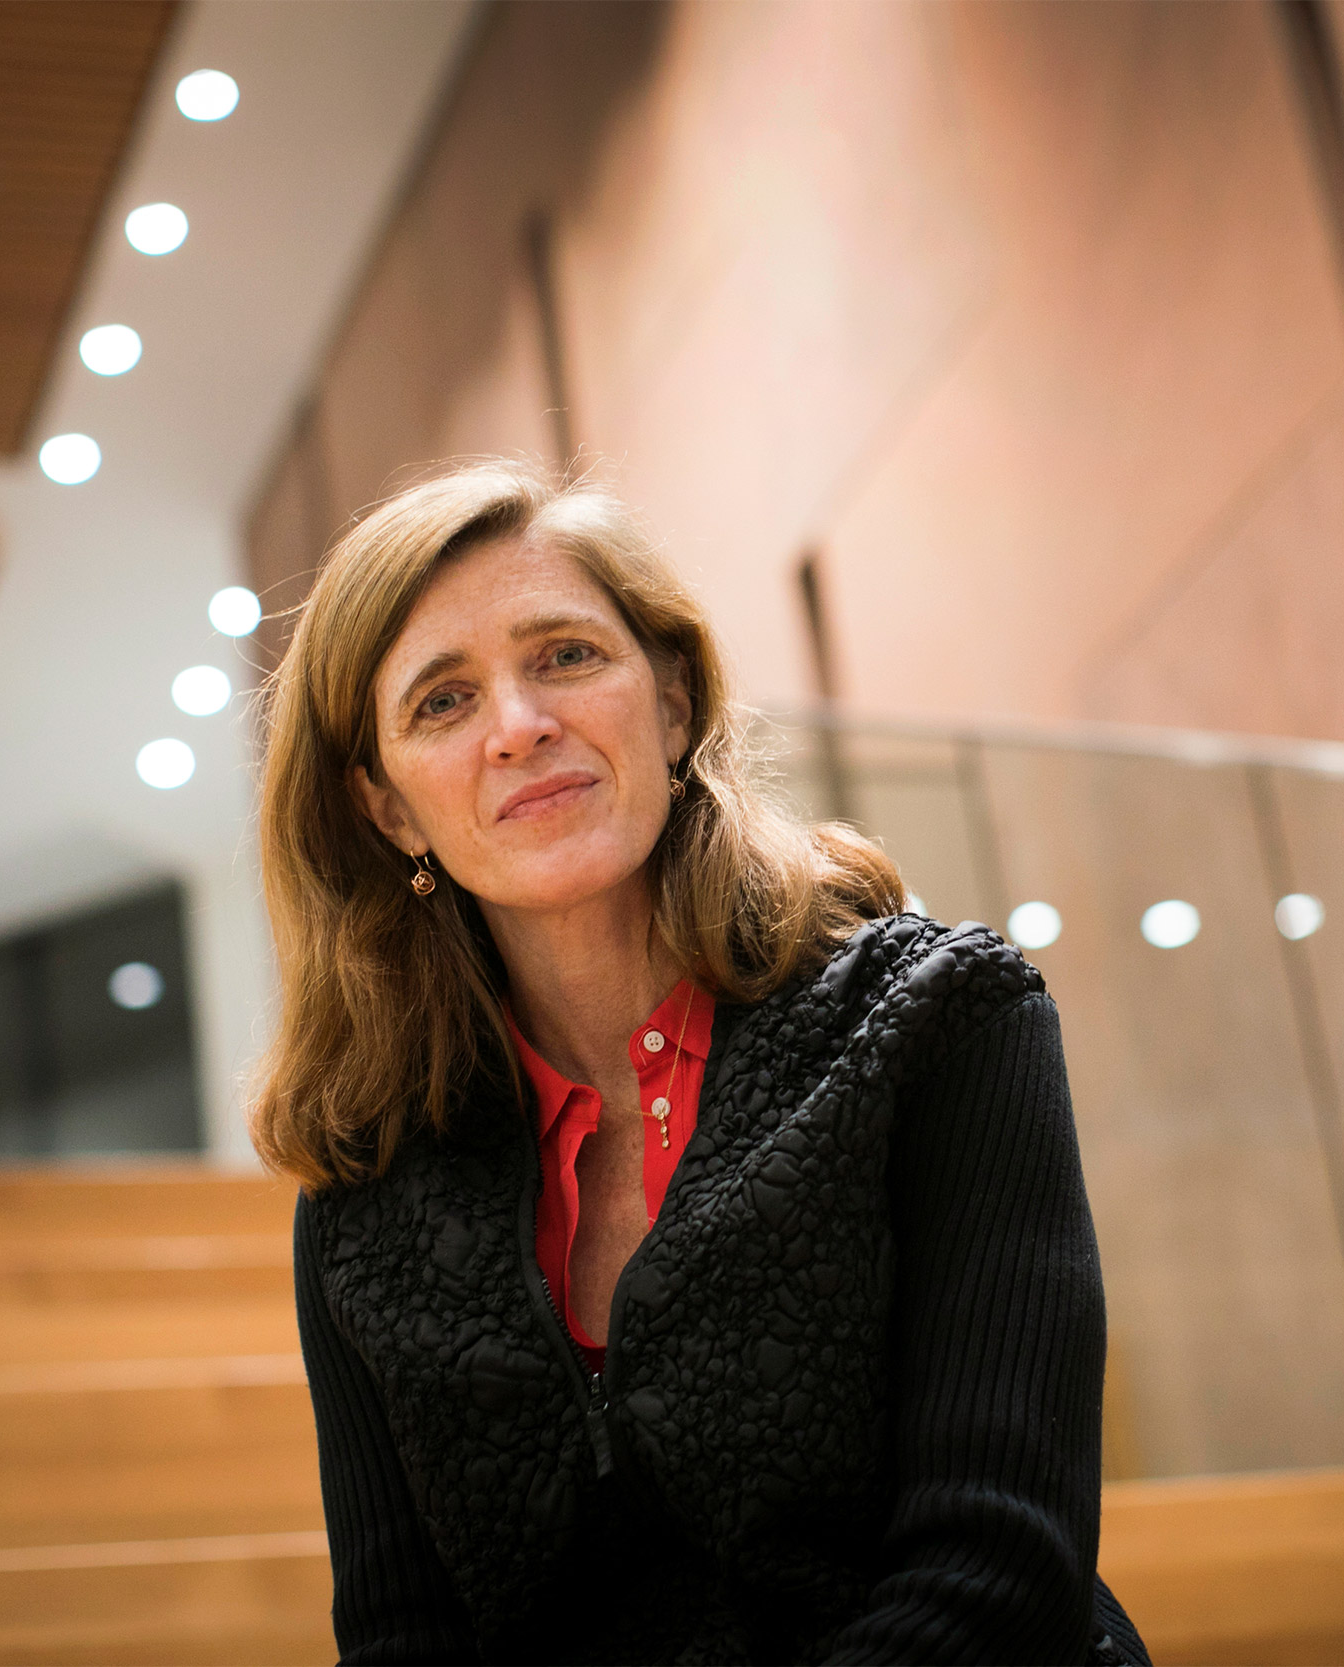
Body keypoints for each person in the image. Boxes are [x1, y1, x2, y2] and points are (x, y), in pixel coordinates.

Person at [252, 459, 1145, 1665]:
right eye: (442, 701)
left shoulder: (940, 1018)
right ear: (389, 810)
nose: (520, 726)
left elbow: (996, 1567)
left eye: (564, 655)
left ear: (671, 701)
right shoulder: (362, 1201)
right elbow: (403, 1638)